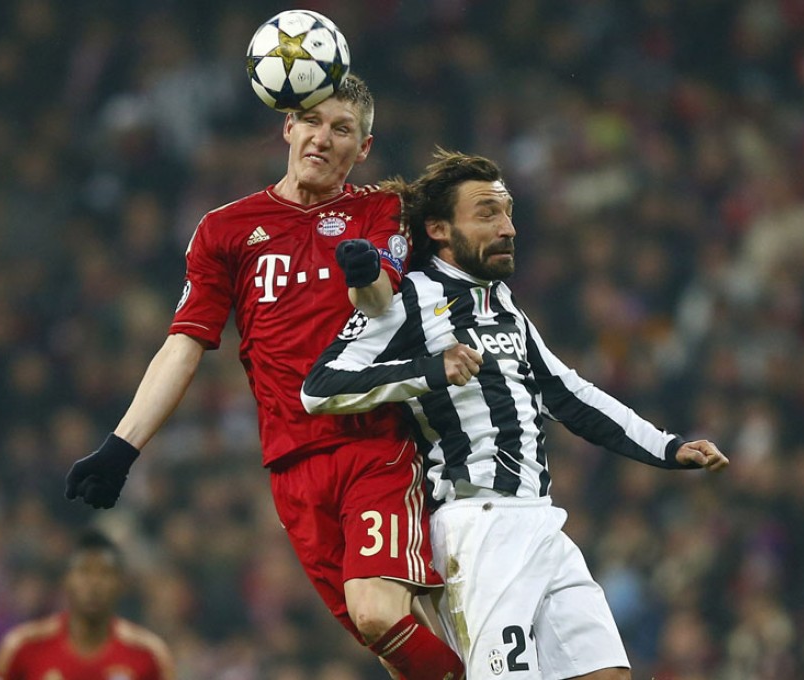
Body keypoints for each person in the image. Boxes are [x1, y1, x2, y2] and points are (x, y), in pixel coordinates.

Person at [63, 75, 465, 680]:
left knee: (381, 613)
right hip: (291, 465)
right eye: (312, 122)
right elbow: (184, 344)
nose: (323, 139)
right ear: (287, 125)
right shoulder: (225, 230)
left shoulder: (378, 209)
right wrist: (121, 447)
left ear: (365, 147)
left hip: (375, 443)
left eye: (343, 130)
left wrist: (366, 271)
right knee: (395, 635)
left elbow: (381, 297)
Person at [301, 150, 730, 680]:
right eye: (486, 213)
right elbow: (320, 388)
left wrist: (666, 447)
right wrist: (431, 370)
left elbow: (568, 393)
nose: (507, 228)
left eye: (508, 213)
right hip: (477, 528)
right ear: (437, 228)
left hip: (542, 520)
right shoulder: (408, 298)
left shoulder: (502, 303)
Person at [0, 528, 175, 680]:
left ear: (120, 584)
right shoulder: (24, 646)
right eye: (84, 572)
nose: (94, 583)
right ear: (66, 580)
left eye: (104, 573)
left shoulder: (148, 654)